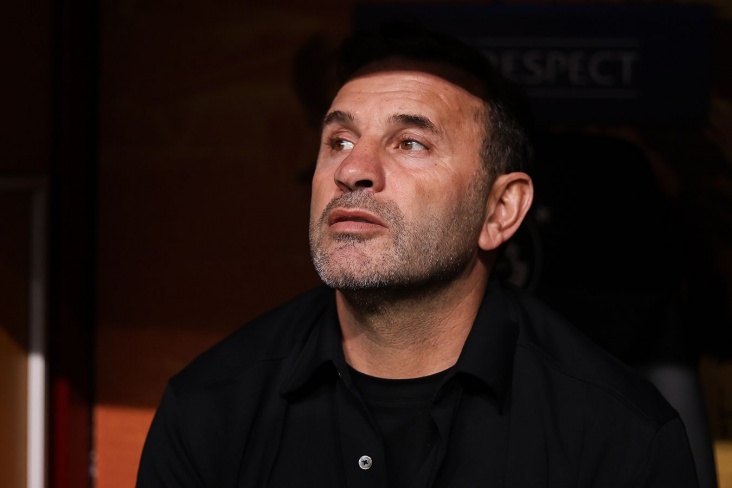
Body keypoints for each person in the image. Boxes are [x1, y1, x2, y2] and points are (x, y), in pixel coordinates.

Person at [136, 25, 700, 487]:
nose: (353, 170)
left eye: (410, 143)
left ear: (500, 210)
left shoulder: (618, 436)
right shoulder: (210, 409)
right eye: (339, 141)